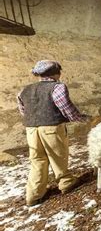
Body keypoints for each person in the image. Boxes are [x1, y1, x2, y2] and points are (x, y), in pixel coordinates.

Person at [17, 60, 88, 206]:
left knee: (37, 160)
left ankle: (33, 195)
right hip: (51, 127)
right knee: (57, 155)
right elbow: (66, 107)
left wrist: (34, 120)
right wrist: (82, 118)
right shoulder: (57, 87)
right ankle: (66, 182)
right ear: (56, 73)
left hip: (31, 129)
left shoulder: (25, 89)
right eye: (59, 71)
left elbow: (23, 110)